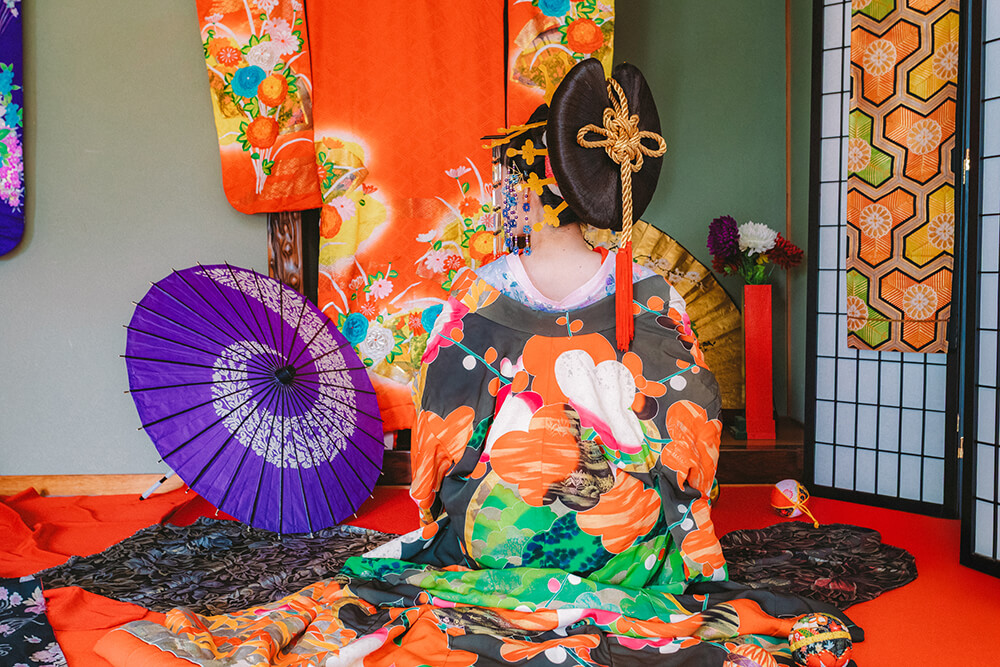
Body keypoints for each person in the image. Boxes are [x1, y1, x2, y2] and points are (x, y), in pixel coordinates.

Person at [98, 58, 857, 667]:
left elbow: (440, 436)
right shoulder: (649, 289)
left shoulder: (480, 293)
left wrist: (463, 497)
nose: (502, 198)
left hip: (497, 538)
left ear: (534, 193)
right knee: (631, 508)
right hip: (628, 544)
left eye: (509, 185)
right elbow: (694, 428)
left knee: (471, 513)